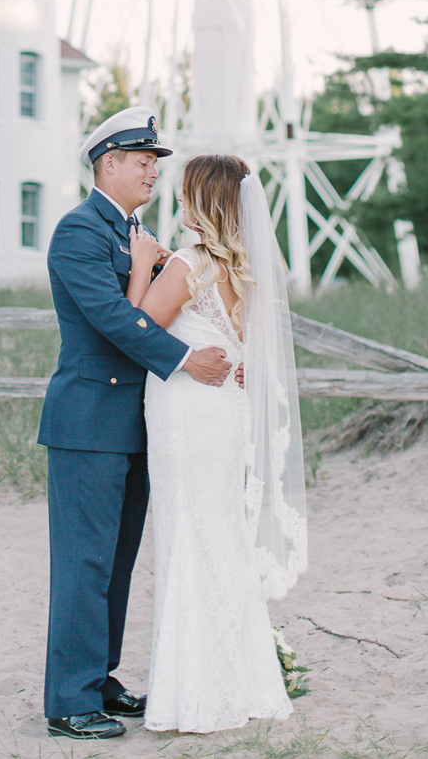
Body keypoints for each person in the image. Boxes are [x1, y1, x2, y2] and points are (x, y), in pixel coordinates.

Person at [38, 107, 235, 741]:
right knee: (84, 563)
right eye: (143, 162)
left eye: (156, 163)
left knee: (118, 561)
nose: (153, 171)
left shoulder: (137, 233)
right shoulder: (80, 232)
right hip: (88, 422)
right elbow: (113, 321)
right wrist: (186, 360)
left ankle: (98, 679)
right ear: (108, 164)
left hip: (141, 425)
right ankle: (69, 700)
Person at [126, 153, 305, 733]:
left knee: (188, 537)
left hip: (187, 413)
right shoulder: (248, 267)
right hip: (224, 413)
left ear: (204, 201)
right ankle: (244, 680)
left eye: (184, 193)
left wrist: (137, 268)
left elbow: (135, 330)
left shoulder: (186, 264)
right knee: (220, 536)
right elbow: (253, 346)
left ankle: (196, 693)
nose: (177, 201)